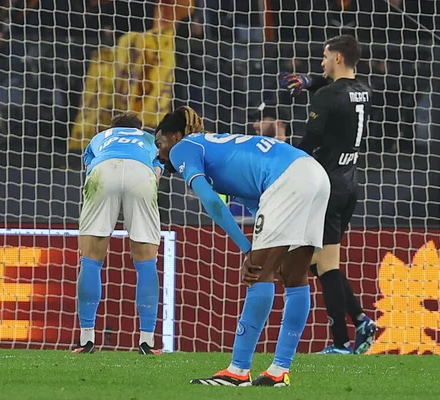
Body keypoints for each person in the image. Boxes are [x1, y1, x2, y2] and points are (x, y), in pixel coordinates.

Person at [155, 106, 331, 386]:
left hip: (288, 178)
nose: (159, 153)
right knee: (294, 277)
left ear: (175, 136)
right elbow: (255, 199)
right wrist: (258, 245)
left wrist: (247, 248)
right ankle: (279, 371)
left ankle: (237, 371)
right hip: (315, 174)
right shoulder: (214, 147)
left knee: (258, 273)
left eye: (159, 143)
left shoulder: (183, 148)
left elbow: (212, 203)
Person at [278, 34, 377, 354]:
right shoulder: (364, 90)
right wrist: (311, 82)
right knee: (317, 264)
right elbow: (337, 90)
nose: (320, 63)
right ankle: (359, 322)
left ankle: (343, 340)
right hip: (350, 185)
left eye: (324, 57)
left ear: (337, 58)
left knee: (326, 266)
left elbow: (308, 144)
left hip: (326, 188)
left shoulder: (326, 98)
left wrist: (279, 162)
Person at [72, 112, 166, 355]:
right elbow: (157, 170)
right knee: (146, 261)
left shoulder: (99, 137)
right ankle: (147, 341)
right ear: (139, 128)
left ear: (113, 128)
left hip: (104, 170)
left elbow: (88, 167)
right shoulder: (149, 139)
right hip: (141, 174)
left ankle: (86, 340)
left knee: (91, 258)